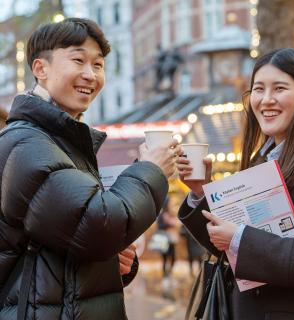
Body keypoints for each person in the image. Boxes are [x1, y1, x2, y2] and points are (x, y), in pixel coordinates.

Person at [0, 18, 181, 319]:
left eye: (98, 65)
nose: (90, 75)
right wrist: (151, 170)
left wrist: (116, 262)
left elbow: (72, 244)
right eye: (78, 60)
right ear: (40, 69)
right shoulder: (28, 144)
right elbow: (97, 224)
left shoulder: (60, 142)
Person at [177, 48, 294, 319]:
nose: (266, 100)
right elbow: (231, 248)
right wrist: (200, 192)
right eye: (258, 89)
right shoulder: (262, 159)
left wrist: (240, 239)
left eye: (279, 88)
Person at [156, 197, 178, 277]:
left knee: (173, 258)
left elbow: (176, 224)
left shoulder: (171, 213)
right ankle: (165, 274)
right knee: (164, 259)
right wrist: (168, 223)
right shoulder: (161, 215)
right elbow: (159, 227)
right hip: (164, 239)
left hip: (171, 239)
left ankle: (169, 272)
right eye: (169, 203)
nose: (170, 205)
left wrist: (173, 223)